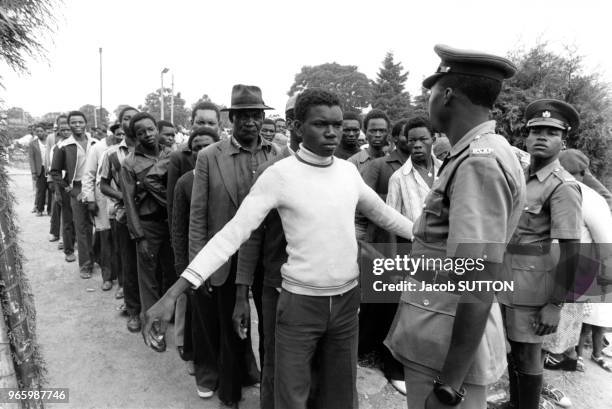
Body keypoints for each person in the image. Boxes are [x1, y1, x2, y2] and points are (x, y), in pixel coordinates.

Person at [143, 88, 414, 409]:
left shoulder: (348, 172)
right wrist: (172, 294)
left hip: (345, 305)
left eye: (337, 124)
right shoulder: (278, 176)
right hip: (299, 305)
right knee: (291, 396)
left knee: (340, 394)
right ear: (298, 127)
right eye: (320, 124)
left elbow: (389, 218)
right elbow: (233, 234)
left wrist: (441, 243)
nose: (332, 132)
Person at [384, 44, 525, 409]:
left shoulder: (479, 160)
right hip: (437, 329)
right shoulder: (476, 151)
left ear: (446, 94)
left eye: (430, 90)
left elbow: (476, 276)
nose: (427, 99)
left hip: (445, 342)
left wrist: (449, 386)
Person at [181, 84, 276, 405]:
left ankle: (269, 389)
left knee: (271, 324)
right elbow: (198, 217)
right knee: (229, 327)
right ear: (231, 118)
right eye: (244, 116)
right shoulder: (210, 156)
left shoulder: (278, 153)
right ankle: (230, 393)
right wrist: (199, 267)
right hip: (225, 256)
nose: (251, 122)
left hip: (269, 256)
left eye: (257, 115)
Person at [498, 99, 582, 409]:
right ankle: (513, 402)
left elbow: (573, 250)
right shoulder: (519, 176)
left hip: (533, 289)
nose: (541, 137)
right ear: (526, 137)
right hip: (504, 277)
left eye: (551, 132)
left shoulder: (563, 186)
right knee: (510, 348)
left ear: (564, 140)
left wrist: (556, 304)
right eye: (535, 131)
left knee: (527, 353)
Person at [232, 95, 301, 409]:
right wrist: (240, 294)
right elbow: (251, 237)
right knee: (274, 355)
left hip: (319, 288)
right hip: (276, 284)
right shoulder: (270, 171)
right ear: (292, 123)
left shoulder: (339, 170)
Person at [170, 127, 219, 390]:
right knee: (197, 315)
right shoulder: (185, 182)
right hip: (195, 257)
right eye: (196, 147)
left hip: (224, 256)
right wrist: (182, 264)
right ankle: (197, 360)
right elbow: (178, 228)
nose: (202, 151)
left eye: (207, 146)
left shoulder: (225, 176)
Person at [120, 112, 174, 318]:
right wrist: (139, 236)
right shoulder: (130, 162)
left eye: (151, 129)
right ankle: (153, 324)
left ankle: (172, 316)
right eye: (141, 132)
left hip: (171, 224)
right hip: (148, 225)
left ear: (157, 130)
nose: (148, 135)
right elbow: (129, 202)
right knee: (148, 277)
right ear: (135, 136)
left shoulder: (172, 154)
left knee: (171, 273)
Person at [99, 106, 142, 332]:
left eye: (134, 117)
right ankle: (133, 311)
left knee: (151, 264)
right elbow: (103, 184)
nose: (131, 121)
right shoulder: (112, 154)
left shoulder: (157, 150)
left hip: (150, 217)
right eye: (126, 118)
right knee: (128, 264)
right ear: (120, 123)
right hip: (124, 216)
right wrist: (123, 196)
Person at [51, 111, 98, 279]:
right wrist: (68, 188)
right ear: (69, 125)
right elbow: (55, 171)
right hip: (77, 188)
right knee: (82, 227)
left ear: (86, 123)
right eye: (74, 122)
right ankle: (86, 265)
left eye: (80, 122)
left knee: (100, 225)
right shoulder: (64, 146)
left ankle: (98, 257)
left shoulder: (95, 143)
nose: (77, 125)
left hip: (95, 186)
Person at [83, 120, 120, 291]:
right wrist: (90, 199)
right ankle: (107, 277)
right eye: (117, 132)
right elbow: (89, 174)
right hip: (103, 199)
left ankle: (123, 280)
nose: (121, 136)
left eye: (124, 133)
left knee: (121, 241)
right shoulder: (98, 148)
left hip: (121, 202)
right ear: (111, 132)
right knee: (106, 239)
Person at [47, 115, 69, 242]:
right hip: (59, 181)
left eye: (67, 124)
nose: (65, 127)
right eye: (62, 125)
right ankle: (56, 233)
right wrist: (52, 181)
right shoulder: (57, 146)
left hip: (71, 181)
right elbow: (52, 166)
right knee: (58, 204)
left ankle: (68, 236)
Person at [29, 123, 50, 217]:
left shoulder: (50, 141)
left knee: (51, 189)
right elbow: (31, 159)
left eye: (41, 131)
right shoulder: (33, 144)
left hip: (50, 169)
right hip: (40, 169)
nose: (39, 133)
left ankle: (50, 210)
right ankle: (39, 209)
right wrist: (33, 172)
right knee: (41, 190)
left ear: (45, 132)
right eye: (37, 131)